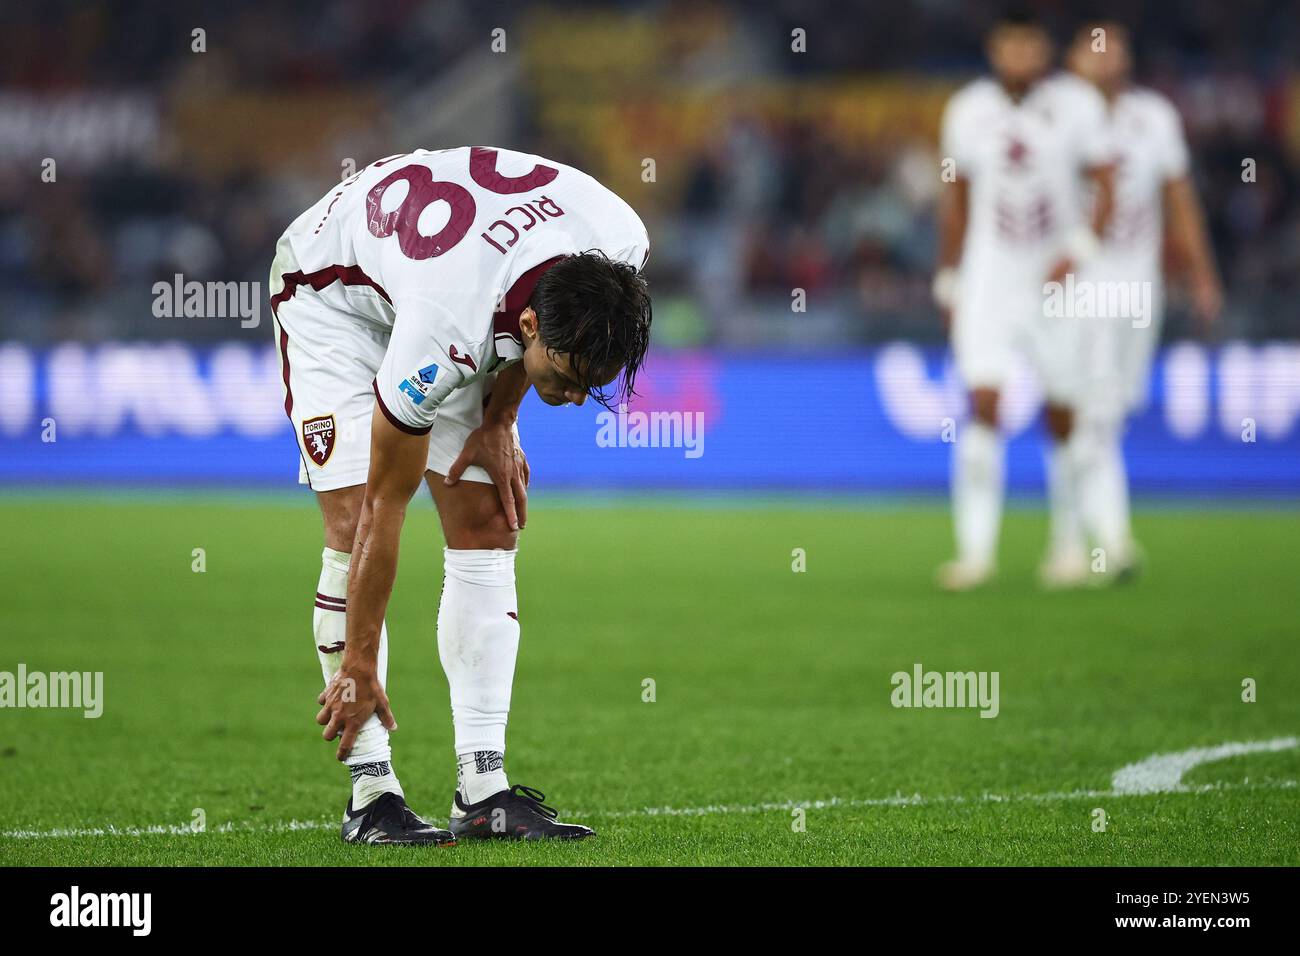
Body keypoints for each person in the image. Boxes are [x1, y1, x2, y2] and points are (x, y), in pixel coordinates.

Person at [269, 146, 651, 843]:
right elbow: (389, 504)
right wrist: (356, 660)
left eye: (594, 382)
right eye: (567, 378)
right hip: (332, 298)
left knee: (487, 516)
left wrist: (502, 419)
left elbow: (518, 333)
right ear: (532, 327)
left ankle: (484, 790)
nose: (574, 398)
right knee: (354, 516)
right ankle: (371, 792)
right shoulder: (448, 329)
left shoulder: (620, 242)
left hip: (447, 276)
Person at [933, 11, 1115, 590]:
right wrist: (949, 273)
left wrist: (1082, 247)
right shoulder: (967, 110)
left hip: (1055, 277)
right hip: (990, 275)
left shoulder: (1077, 106)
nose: (1021, 56)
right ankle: (975, 552)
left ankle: (1068, 547)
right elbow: (955, 197)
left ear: (1045, 49)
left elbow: (1107, 181)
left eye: (1031, 45)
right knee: (983, 402)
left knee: (1062, 412)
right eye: (1011, 45)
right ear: (994, 49)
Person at [1065, 21, 1222, 580]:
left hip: (1138, 285)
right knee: (1095, 410)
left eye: (1114, 47)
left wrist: (1203, 276)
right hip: (1078, 284)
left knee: (1110, 411)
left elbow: (1179, 199)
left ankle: (1068, 545)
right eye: (1094, 47)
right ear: (1073, 57)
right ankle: (1112, 542)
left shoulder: (1153, 117)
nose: (1105, 58)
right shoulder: (1055, 116)